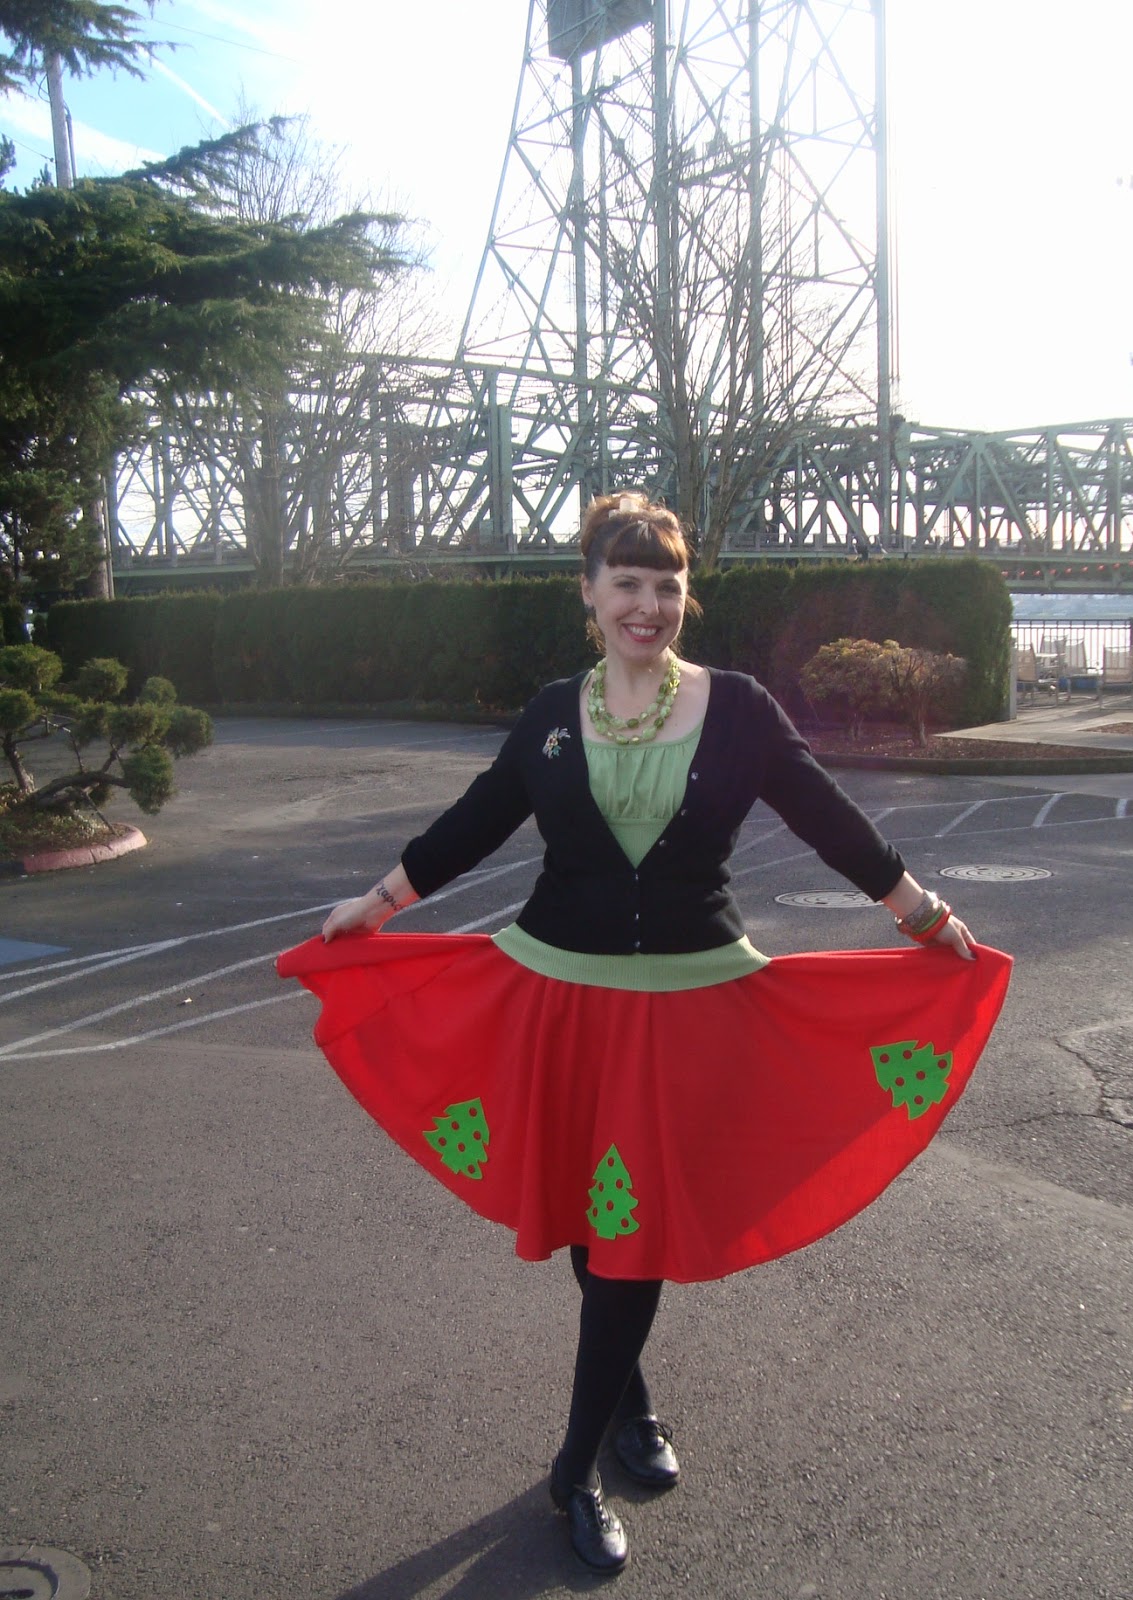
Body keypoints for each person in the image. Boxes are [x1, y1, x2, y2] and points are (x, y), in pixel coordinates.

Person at [278, 491, 1011, 1577]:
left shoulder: (738, 708)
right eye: (626, 582)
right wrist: (377, 905)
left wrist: (922, 913)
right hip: (556, 998)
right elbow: (475, 820)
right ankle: (631, 1410)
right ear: (588, 593)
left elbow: (828, 818)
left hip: (689, 1009)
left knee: (635, 1233)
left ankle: (572, 1468)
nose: (647, 604)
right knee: (594, 1226)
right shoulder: (552, 713)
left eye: (666, 585)